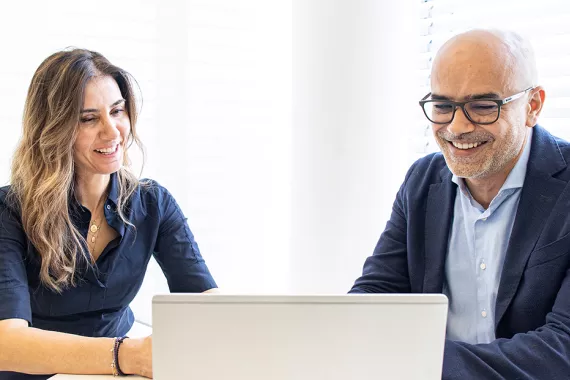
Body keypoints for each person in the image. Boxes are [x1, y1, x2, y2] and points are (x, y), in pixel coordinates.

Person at [350, 29, 570, 379]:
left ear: (533, 106)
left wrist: (414, 363)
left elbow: (562, 349)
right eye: (443, 106)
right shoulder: (423, 181)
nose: (457, 126)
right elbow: (380, 298)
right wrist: (336, 338)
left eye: (483, 106)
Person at [0, 49, 218, 379]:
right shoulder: (10, 211)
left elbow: (206, 305)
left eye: (117, 110)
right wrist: (126, 354)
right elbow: (8, 344)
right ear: (53, 129)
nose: (113, 131)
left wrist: (234, 327)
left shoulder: (152, 203)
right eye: (88, 118)